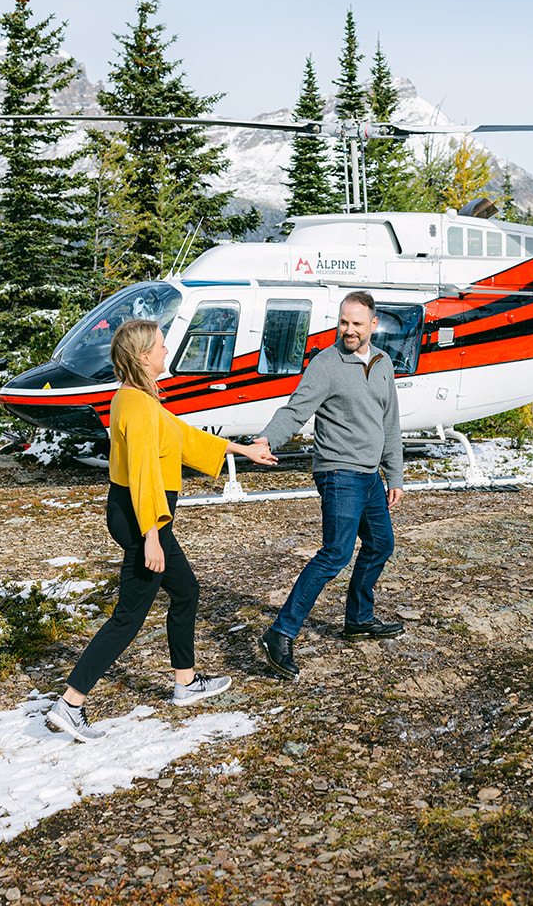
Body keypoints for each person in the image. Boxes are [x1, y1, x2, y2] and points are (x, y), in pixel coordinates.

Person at [47, 319, 276, 742]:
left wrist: (240, 449)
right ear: (143, 357)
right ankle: (71, 702)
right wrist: (151, 535)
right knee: (129, 615)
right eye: (161, 346)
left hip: (146, 515)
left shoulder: (141, 400)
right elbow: (144, 474)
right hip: (142, 517)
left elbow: (182, 436)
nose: (167, 350)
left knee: (186, 590)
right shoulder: (134, 406)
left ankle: (185, 683)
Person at [255, 291, 405, 680]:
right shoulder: (326, 362)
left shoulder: (383, 362)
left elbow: (389, 424)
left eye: (357, 323)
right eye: (343, 322)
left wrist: (396, 475)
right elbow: (295, 409)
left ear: (373, 325)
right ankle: (280, 633)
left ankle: (358, 619)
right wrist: (268, 440)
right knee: (336, 553)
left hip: (370, 475)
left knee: (380, 544)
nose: (349, 330)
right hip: (338, 472)